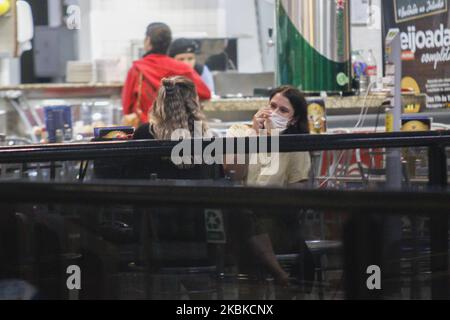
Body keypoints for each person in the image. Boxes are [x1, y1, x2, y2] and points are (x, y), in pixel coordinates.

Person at [225, 86, 315, 299]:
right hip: (241, 218)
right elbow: (232, 174)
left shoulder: (294, 145)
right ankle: (278, 273)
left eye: (283, 111)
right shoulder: (240, 132)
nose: (274, 113)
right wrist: (254, 137)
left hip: (276, 220)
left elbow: (297, 197)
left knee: (248, 225)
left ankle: (270, 278)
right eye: (272, 106)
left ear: (293, 120)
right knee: (242, 216)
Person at [122, 22, 211, 127]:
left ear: (148, 41)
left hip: (147, 130)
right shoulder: (183, 69)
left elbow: (127, 107)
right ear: (168, 43)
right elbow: (205, 94)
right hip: (178, 129)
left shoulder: (137, 70)